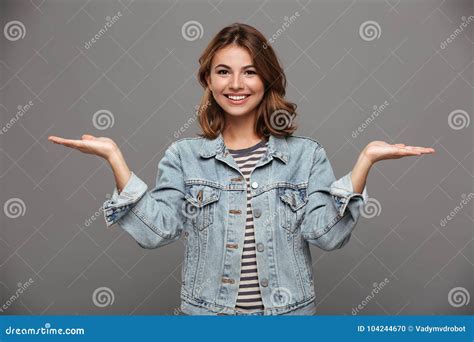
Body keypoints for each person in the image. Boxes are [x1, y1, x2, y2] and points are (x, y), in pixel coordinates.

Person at [48, 23, 435, 315]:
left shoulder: (305, 156)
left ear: (267, 79)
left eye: (249, 71)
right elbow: (156, 233)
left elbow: (327, 237)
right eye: (223, 71)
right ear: (208, 79)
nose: (236, 84)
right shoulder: (184, 156)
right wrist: (115, 157)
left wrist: (364, 162)